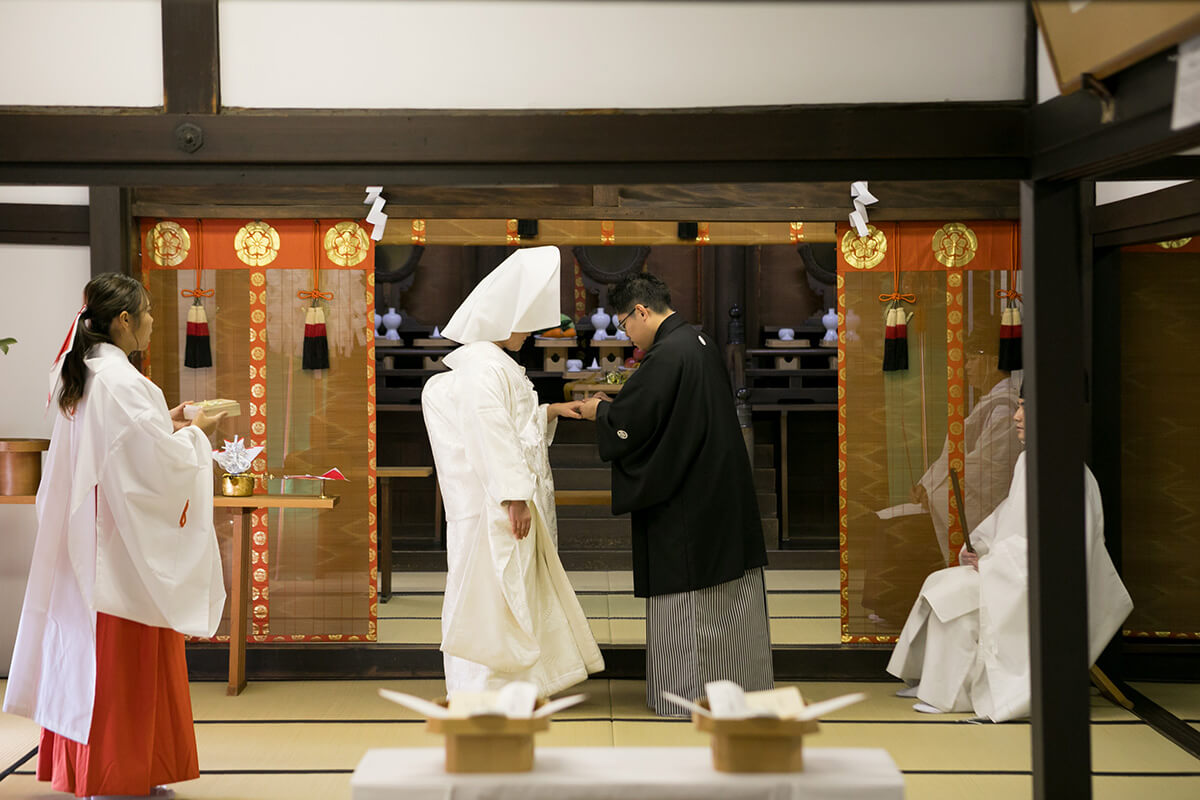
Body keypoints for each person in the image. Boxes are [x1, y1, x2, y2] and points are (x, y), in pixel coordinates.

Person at [4, 273, 228, 798]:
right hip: (118, 543)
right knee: (124, 658)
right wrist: (197, 435)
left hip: (87, 531)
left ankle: (101, 769)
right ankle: (118, 773)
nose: (151, 322)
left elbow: (123, 446)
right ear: (124, 320)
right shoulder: (124, 382)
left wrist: (166, 422)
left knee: (85, 653)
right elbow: (156, 466)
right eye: (146, 312)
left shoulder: (81, 374)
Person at [579, 272, 772, 716]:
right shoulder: (696, 342)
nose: (626, 334)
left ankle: (685, 696)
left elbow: (636, 422)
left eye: (625, 323)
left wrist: (600, 412)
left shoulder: (668, 355)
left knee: (689, 601)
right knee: (727, 603)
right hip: (716, 488)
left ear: (642, 311)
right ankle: (737, 688)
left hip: (687, 498)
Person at [885, 386, 1133, 721]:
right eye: (1018, 407)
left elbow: (1058, 549)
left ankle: (952, 695)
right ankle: (931, 680)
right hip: (1011, 570)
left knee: (955, 595)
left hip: (1043, 583)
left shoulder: (1062, 471)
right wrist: (980, 549)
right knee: (939, 581)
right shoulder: (1031, 461)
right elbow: (1007, 519)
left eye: (1025, 409)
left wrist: (990, 565)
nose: (1017, 416)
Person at [422, 246, 604, 696]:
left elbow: (509, 424)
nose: (529, 333)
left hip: (494, 499)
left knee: (509, 592)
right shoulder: (484, 367)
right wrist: (514, 496)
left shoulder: (486, 363)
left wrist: (551, 412)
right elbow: (490, 433)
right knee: (492, 597)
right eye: (523, 324)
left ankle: (517, 685)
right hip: (493, 504)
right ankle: (488, 689)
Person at [861, 331, 1022, 624]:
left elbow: (986, 466)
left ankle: (899, 609)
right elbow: (958, 456)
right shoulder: (993, 403)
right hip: (951, 490)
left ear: (991, 362)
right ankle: (893, 607)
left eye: (973, 359)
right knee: (886, 521)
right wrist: (927, 484)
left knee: (902, 529)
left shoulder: (1006, 407)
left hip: (985, 506)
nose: (967, 367)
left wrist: (935, 488)